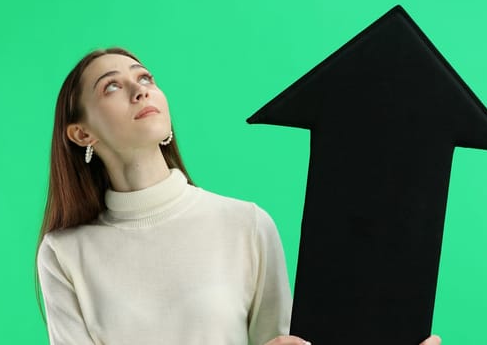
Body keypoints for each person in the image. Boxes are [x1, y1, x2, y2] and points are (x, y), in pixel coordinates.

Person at [35, 47, 441, 345]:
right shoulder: (65, 254)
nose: (140, 91)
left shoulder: (245, 224)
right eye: (112, 87)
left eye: (145, 79)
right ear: (81, 133)